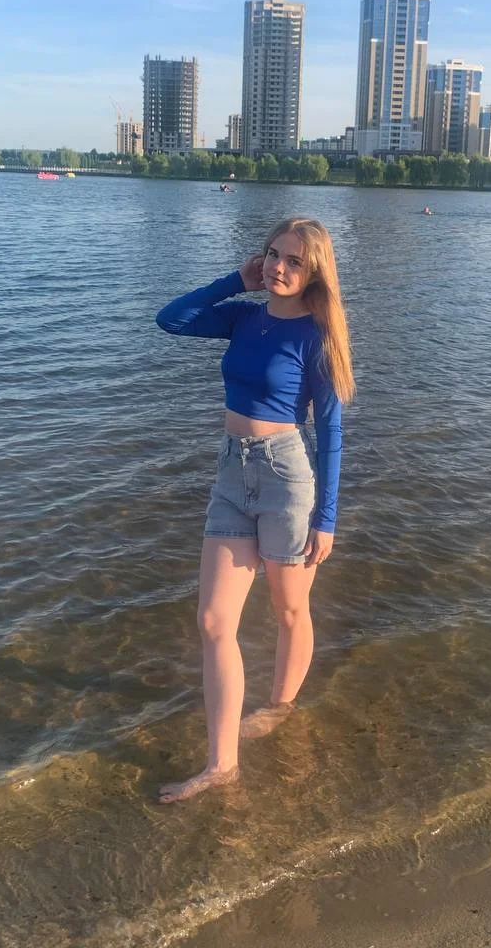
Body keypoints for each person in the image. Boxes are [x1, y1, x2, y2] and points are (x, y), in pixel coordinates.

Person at [154, 216, 355, 803]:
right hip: (230, 472)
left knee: (290, 609)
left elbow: (331, 431)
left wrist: (327, 519)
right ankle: (223, 766)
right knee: (214, 621)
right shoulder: (243, 317)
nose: (278, 267)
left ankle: (281, 707)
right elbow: (171, 318)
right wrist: (232, 282)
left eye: (293, 261)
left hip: (285, 478)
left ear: (314, 271)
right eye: (272, 254)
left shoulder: (317, 336)